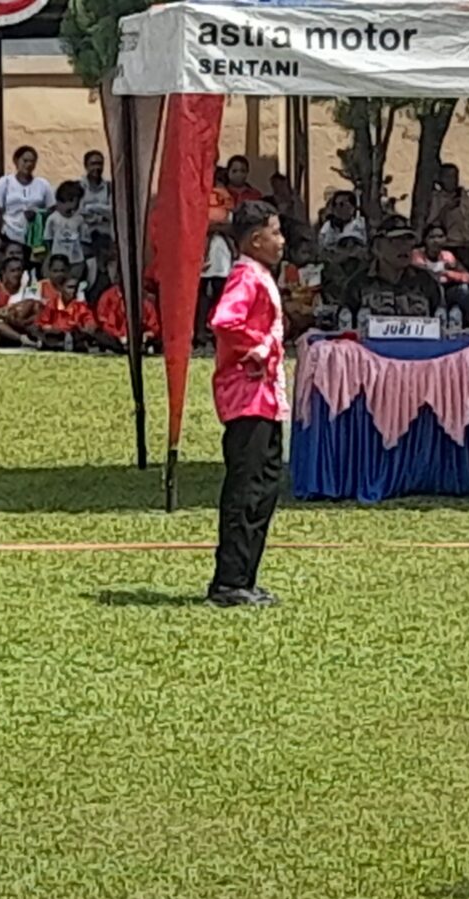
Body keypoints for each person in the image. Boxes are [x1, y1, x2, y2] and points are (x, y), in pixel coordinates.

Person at [208, 202, 287, 608]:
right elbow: (225, 321)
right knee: (247, 487)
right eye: (275, 232)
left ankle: (244, 577)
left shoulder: (259, 276)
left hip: (265, 397)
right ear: (256, 240)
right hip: (247, 395)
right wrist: (257, 350)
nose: (281, 240)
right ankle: (229, 581)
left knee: (264, 487)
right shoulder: (245, 277)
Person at [0, 145, 52, 260]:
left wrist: (37, 213)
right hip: (10, 234)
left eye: (32, 161)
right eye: (25, 161)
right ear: (16, 161)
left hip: (35, 238)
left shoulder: (43, 184)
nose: (28, 165)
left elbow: (52, 209)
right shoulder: (5, 182)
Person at [415, 224, 469, 329]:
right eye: (432, 237)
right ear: (425, 240)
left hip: (447, 295)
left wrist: (448, 273)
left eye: (440, 237)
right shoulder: (417, 255)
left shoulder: (448, 257)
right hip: (425, 295)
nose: (436, 241)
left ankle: (465, 325)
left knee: (463, 290)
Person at [42, 180, 86, 269]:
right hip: (58, 261)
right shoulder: (53, 219)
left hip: (76, 260)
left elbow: (83, 238)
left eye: (76, 203)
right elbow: (48, 239)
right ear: (58, 202)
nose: (73, 206)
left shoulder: (79, 219)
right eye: (69, 201)